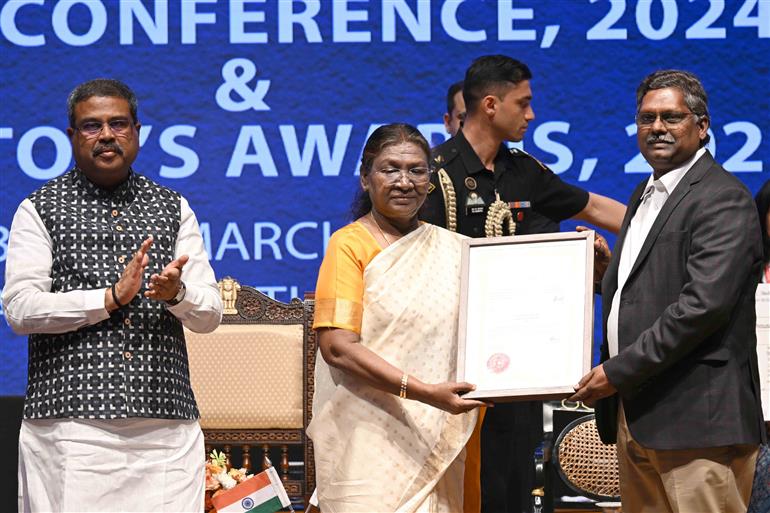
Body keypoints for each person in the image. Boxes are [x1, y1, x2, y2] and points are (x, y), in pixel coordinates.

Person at [2, 79, 223, 512]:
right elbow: (19, 309)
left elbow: (210, 313)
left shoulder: (173, 206)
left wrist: (177, 293)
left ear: (137, 131)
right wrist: (108, 299)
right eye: (91, 126)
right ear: (71, 137)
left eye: (118, 124)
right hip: (70, 428)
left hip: (165, 429)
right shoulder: (39, 207)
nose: (106, 135)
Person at [421, 54, 627, 513]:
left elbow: (594, 209)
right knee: (451, 485)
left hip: (518, 365)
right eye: (524, 103)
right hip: (445, 364)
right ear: (491, 105)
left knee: (512, 484)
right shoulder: (433, 174)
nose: (531, 115)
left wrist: (662, 229)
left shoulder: (525, 171)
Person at [570, 70, 766, 513]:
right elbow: (652, 288)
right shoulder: (646, 190)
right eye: (646, 118)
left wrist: (616, 372)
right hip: (639, 417)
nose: (656, 127)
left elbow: (702, 308)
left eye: (671, 117)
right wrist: (608, 278)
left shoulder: (723, 197)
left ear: (701, 126)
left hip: (698, 422)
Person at [307, 123, 486, 512]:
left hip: (437, 431)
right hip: (367, 433)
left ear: (431, 180)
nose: (404, 182)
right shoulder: (350, 245)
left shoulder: (456, 250)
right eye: (390, 169)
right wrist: (424, 392)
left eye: (416, 170)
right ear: (366, 178)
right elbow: (337, 349)